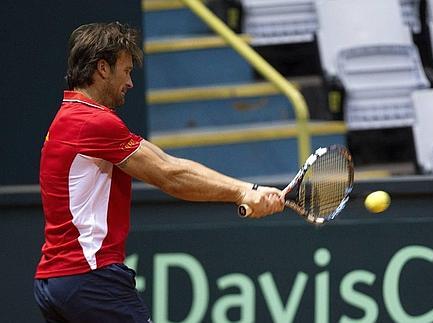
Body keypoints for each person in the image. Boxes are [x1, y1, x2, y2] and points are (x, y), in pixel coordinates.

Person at [33, 22, 284, 323]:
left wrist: (246, 190)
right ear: (102, 68)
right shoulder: (93, 122)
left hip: (55, 281)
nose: (130, 82)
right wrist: (244, 191)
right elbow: (169, 173)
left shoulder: (66, 117)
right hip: (90, 278)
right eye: (125, 71)